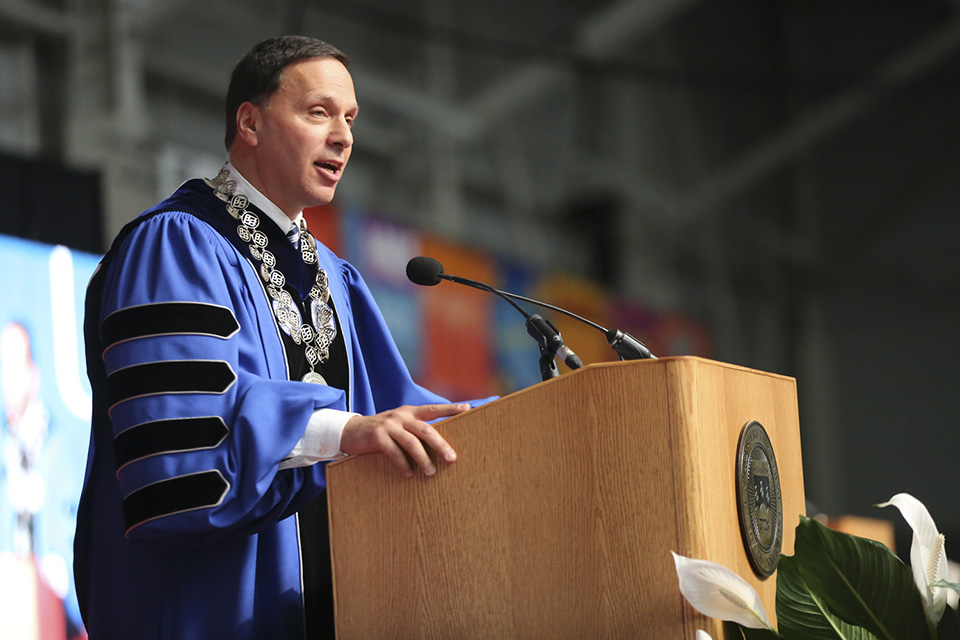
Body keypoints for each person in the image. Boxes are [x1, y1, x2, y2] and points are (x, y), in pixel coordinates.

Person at [74, 35, 484, 639]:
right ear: (251, 122)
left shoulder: (333, 275)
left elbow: (401, 410)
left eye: (349, 119)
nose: (343, 136)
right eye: (319, 112)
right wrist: (342, 430)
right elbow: (180, 443)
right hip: (204, 610)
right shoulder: (176, 243)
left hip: (332, 608)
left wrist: (537, 418)